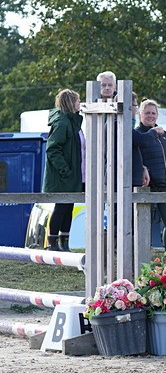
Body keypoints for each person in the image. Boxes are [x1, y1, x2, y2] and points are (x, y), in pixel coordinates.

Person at [136, 99, 166, 254]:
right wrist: (143, 168)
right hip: (145, 187)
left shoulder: (163, 134)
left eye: (153, 113)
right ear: (140, 114)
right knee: (142, 224)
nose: (150, 116)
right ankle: (140, 256)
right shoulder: (137, 133)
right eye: (147, 112)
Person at [43, 89, 84, 252]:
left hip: (72, 175)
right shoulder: (62, 123)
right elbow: (53, 149)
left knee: (68, 207)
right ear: (70, 102)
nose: (79, 103)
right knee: (61, 207)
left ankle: (64, 243)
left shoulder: (72, 122)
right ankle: (52, 243)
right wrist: (66, 170)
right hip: (63, 176)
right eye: (77, 100)